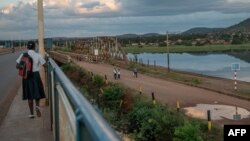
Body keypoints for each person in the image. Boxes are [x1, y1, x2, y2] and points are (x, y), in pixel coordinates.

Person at [16, 41, 46, 118]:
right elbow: (44, 64)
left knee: (29, 95)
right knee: (37, 93)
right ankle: (37, 107)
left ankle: (31, 114)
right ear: (34, 47)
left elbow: (17, 65)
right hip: (35, 75)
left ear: (27, 47)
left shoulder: (23, 55)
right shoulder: (38, 55)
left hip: (26, 76)